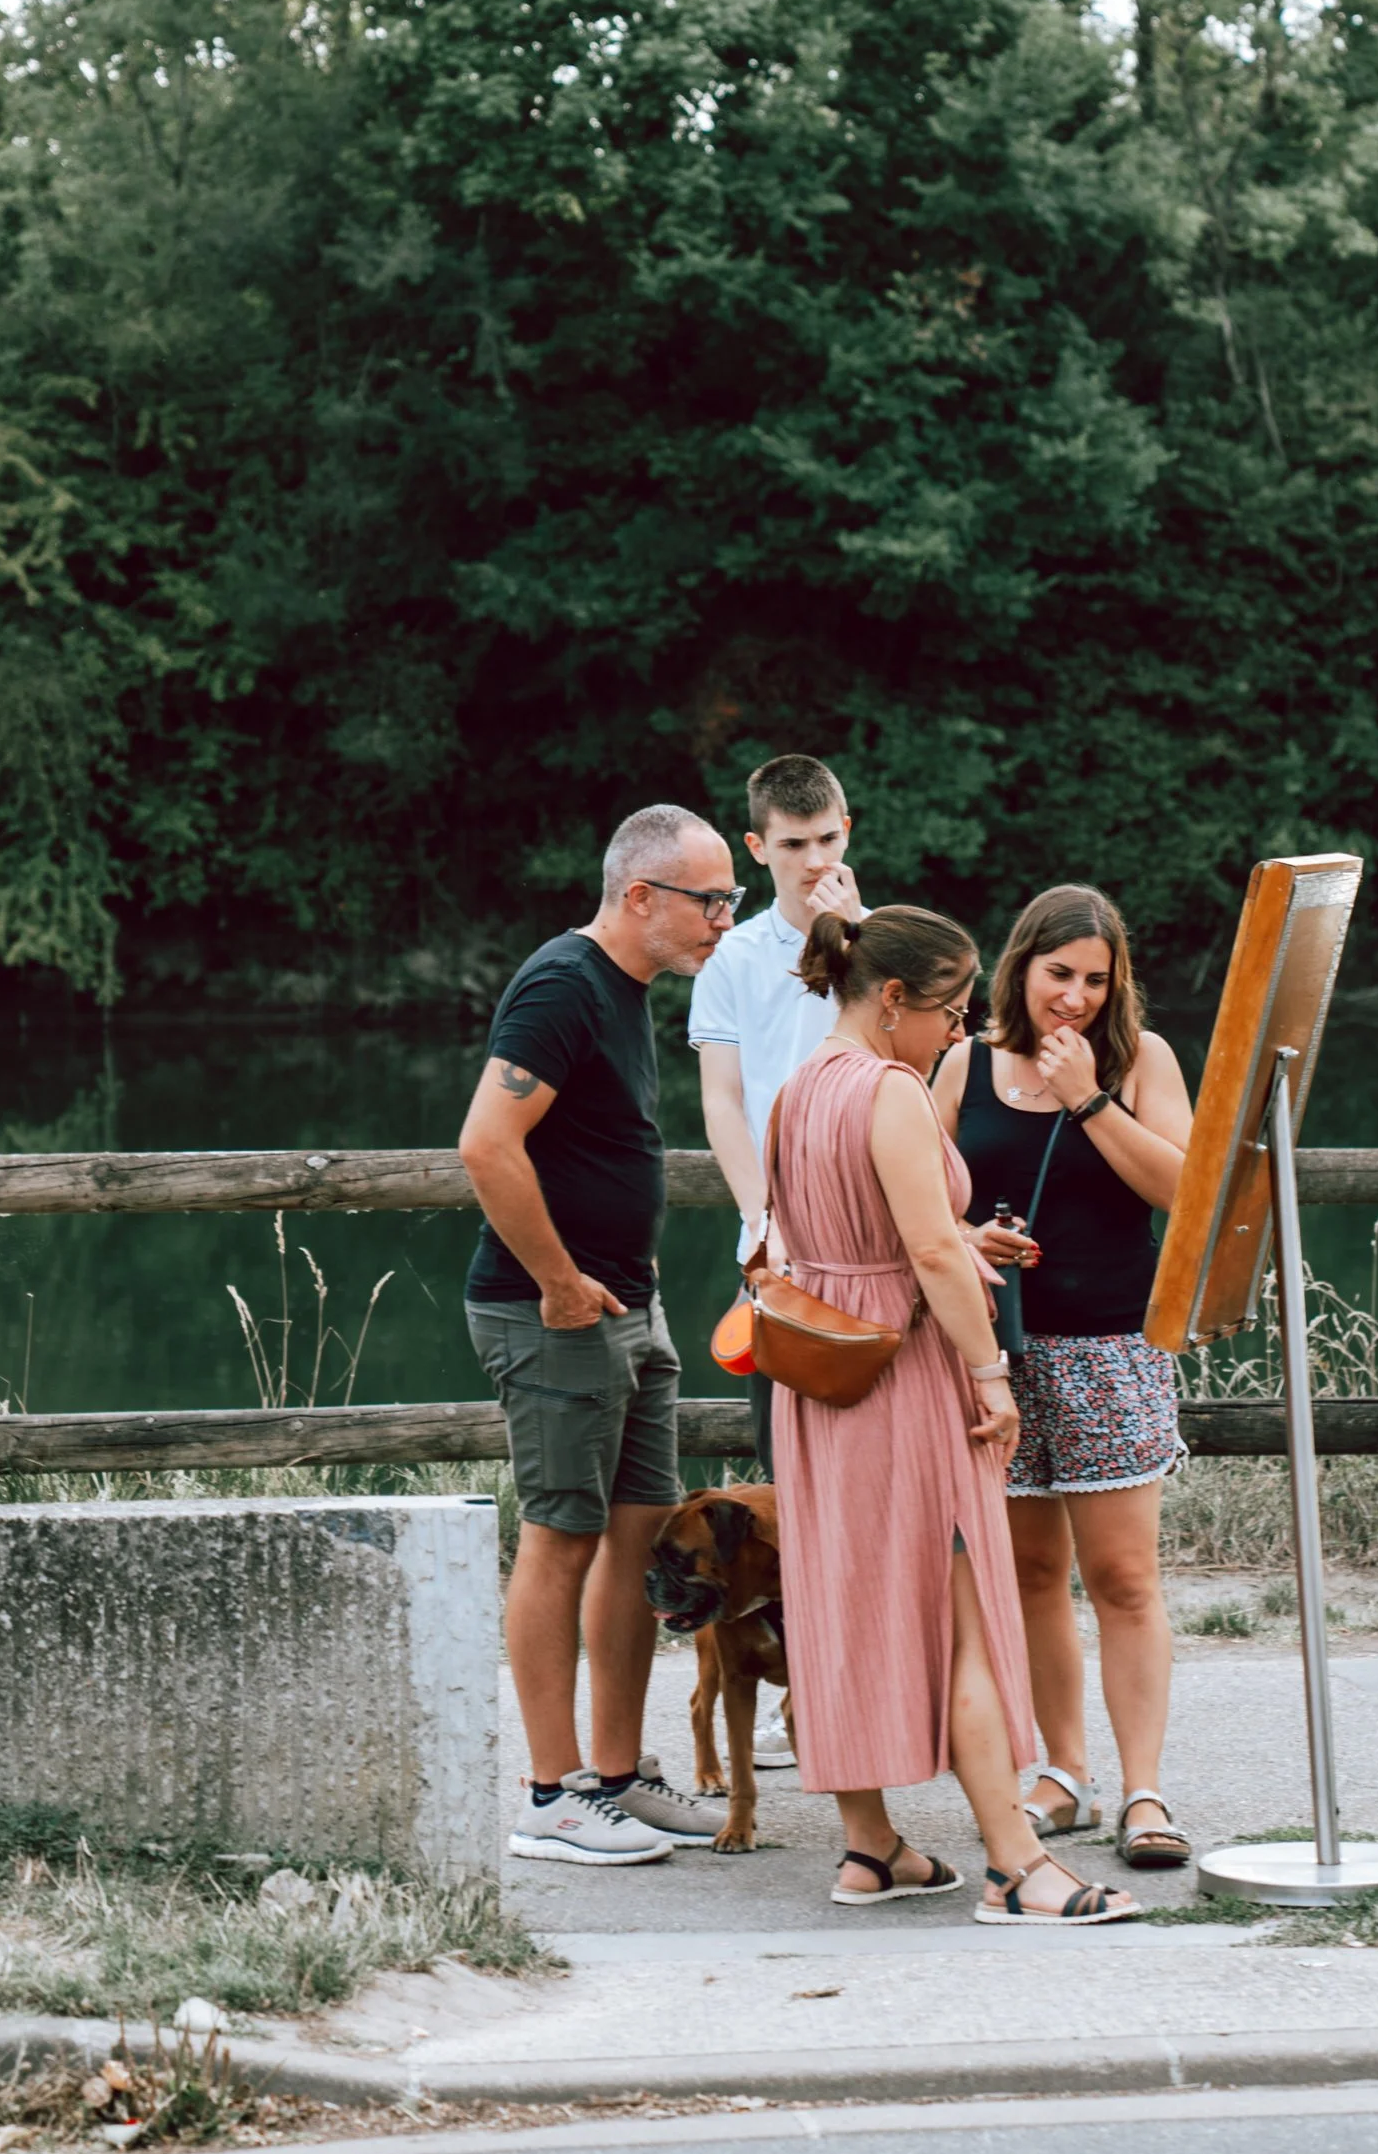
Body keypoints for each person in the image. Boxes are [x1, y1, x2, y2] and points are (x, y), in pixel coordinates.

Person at [767, 900, 1141, 1925]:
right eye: (945, 1008)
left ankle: (871, 1848)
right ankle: (1017, 1870)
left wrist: (947, 1243)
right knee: (969, 1615)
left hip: (819, 1381)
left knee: (844, 1604)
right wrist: (988, 1377)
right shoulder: (888, 1090)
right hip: (904, 1375)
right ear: (891, 1000)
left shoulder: (799, 1089)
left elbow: (839, 1232)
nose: (959, 1029)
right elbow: (928, 1254)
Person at [461, 804, 747, 1867]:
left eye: (731, 898)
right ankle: (549, 1795)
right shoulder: (561, 986)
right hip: (552, 1314)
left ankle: (618, 1778)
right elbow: (487, 1146)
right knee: (562, 1535)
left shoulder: (627, 993)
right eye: (709, 899)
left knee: (640, 1543)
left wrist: (625, 1276)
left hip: (632, 1305)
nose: (724, 918)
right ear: (639, 896)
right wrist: (559, 1282)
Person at [934, 883, 1196, 1870]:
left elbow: (1184, 1189)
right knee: (1032, 1573)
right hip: (995, 1356)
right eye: (1058, 976)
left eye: (1095, 979)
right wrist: (967, 1236)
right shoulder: (962, 1061)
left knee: (1125, 1577)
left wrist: (1089, 1096)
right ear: (1020, 968)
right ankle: (1063, 1771)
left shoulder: (1141, 1059)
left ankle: (1144, 1790)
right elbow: (910, 1192)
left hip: (1112, 1349)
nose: (1075, 997)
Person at [690, 750, 862, 1766]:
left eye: (828, 841)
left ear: (847, 835)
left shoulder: (882, 942)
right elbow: (721, 1100)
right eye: (792, 846)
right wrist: (761, 1217)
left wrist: (855, 932)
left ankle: (860, 1695)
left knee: (872, 1486)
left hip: (871, 1252)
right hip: (775, 1261)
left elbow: (910, 1060)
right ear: (757, 849)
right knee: (788, 1483)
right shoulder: (733, 960)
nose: (812, 861)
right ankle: (804, 1696)